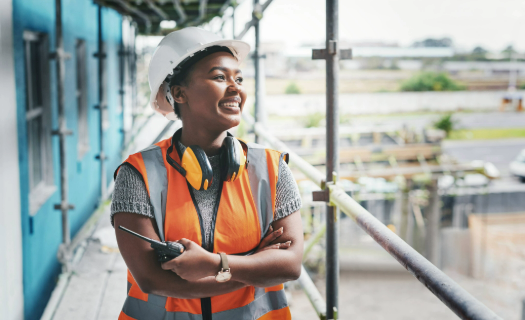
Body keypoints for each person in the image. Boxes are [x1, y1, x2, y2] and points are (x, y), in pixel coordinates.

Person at [112, 27, 303, 320]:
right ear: (179, 93)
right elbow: (152, 280)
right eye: (219, 76)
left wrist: (214, 264)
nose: (236, 87)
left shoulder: (272, 168)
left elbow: (289, 265)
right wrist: (255, 265)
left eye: (238, 78)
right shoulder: (137, 175)